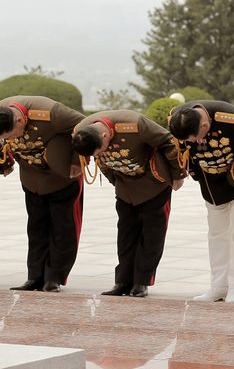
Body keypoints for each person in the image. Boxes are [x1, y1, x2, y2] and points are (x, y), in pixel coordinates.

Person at [72, 110, 186, 298]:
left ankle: (142, 281)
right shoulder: (82, 130)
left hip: (153, 183)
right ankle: (123, 281)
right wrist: (115, 182)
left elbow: (169, 143)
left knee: (151, 235)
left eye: (100, 149)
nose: (100, 154)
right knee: (125, 235)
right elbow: (103, 164)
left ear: (104, 135)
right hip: (124, 186)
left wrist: (177, 175)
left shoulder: (135, 124)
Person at [169, 100, 234, 303]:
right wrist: (189, 173)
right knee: (216, 236)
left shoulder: (232, 118)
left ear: (205, 126)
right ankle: (218, 286)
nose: (196, 142)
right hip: (211, 186)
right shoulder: (179, 120)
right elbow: (181, 151)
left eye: (196, 137)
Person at [0, 96, 85, 292]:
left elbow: (84, 126)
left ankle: (54, 277)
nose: (11, 139)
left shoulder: (51, 113)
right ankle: (35, 276)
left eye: (11, 134)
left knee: (63, 229)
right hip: (32, 178)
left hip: (61, 178)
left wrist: (76, 160)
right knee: (36, 228)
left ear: (20, 120)